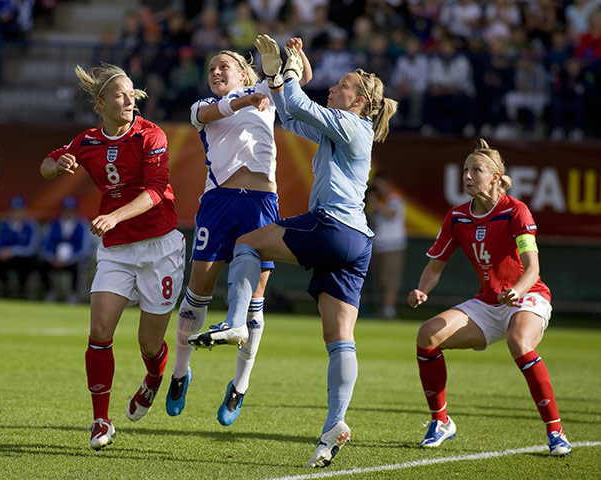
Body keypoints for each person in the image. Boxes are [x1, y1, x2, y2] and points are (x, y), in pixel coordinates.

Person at [189, 34, 398, 468]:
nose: (333, 88)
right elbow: (292, 115)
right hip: (356, 244)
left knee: (248, 242)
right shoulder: (343, 127)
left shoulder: (353, 125)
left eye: (341, 86)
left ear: (358, 101)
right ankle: (334, 427)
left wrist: (286, 72)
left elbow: (300, 105)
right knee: (340, 340)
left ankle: (234, 322)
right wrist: (278, 76)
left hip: (332, 226)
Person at [164, 39, 312, 427]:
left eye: (223, 66)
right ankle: (180, 372)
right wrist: (250, 97)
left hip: (261, 204)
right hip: (219, 201)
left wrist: (289, 59)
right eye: (211, 67)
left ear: (244, 73)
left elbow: (301, 80)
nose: (215, 72)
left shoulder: (265, 87)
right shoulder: (201, 108)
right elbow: (218, 110)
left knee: (254, 299)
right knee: (199, 288)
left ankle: (240, 385)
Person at [40, 63, 186, 451]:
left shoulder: (150, 134)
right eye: (120, 95)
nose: (129, 100)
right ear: (100, 103)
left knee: (149, 344)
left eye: (132, 93)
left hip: (159, 246)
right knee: (100, 331)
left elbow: (156, 190)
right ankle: (100, 421)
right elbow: (47, 164)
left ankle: (154, 378)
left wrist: (114, 215)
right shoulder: (86, 141)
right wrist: (59, 166)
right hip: (116, 250)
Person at [407, 139, 572, 457]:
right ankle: (440, 422)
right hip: (489, 302)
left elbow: (533, 269)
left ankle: (556, 432)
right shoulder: (456, 217)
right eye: (465, 169)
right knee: (427, 335)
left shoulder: (515, 210)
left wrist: (517, 291)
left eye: (476, 170)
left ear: (496, 176)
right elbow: (434, 266)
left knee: (519, 341)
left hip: (527, 297)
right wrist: (422, 289)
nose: (467, 175)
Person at [366, 173, 407, 319]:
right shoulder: (379, 201)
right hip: (378, 245)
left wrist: (375, 203)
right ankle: (381, 309)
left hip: (392, 245)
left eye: (381, 184)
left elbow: (391, 214)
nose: (379, 188)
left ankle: (389, 310)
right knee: (379, 280)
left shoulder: (394, 198)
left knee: (390, 279)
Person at [40, 195, 94, 303]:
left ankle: (74, 295)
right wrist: (52, 258)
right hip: (55, 259)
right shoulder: (54, 224)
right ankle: (51, 291)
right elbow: (46, 244)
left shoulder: (82, 225)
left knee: (78, 267)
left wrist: (68, 260)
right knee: (41, 264)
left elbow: (85, 249)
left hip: (73, 260)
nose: (68, 212)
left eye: (71, 210)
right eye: (66, 209)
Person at [0, 195, 41, 298]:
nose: (17, 213)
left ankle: (22, 291)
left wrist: (12, 251)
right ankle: (5, 289)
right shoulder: (4, 225)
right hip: (7, 259)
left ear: (24, 211)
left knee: (26, 263)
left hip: (24, 258)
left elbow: (32, 248)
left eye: (19, 210)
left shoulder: (31, 226)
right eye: (14, 210)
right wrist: (1, 252)